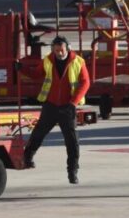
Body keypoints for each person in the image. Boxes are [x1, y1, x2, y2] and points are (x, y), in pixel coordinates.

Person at [17, 35, 90, 185]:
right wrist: (22, 68)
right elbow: (36, 74)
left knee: (72, 142)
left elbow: (85, 82)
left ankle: (72, 171)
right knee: (38, 134)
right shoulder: (48, 60)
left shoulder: (78, 61)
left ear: (67, 48)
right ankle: (27, 158)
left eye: (61, 50)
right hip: (50, 105)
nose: (59, 53)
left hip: (68, 107)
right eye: (56, 50)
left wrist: (73, 103)